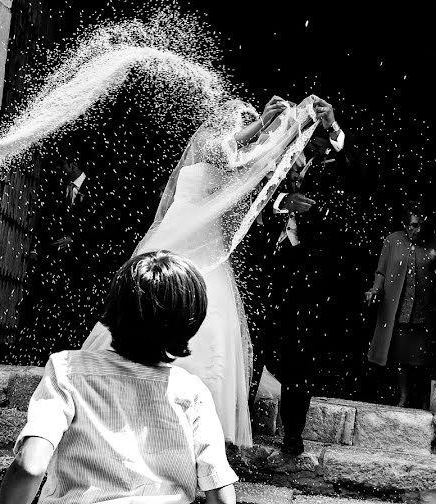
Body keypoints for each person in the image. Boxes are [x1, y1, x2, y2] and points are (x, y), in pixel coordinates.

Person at [84, 95, 320, 447]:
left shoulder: (236, 162)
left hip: (208, 248)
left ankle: (198, 423)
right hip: (179, 241)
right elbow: (223, 148)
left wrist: (292, 125)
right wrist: (263, 124)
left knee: (215, 317)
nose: (245, 129)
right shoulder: (209, 142)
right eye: (240, 122)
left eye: (247, 123)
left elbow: (257, 161)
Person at [0, 251, 238, 504]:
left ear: (115, 306)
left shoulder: (68, 368)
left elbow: (30, 467)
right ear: (190, 322)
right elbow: (221, 496)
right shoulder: (192, 391)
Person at [262, 96, 366, 455]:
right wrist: (281, 206)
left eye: (313, 133)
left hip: (310, 275)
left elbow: (357, 173)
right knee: (256, 346)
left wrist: (333, 126)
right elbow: (256, 198)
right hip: (270, 271)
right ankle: (239, 424)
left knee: (300, 355)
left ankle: (293, 434)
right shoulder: (275, 159)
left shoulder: (331, 163)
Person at [14, 155, 105, 365]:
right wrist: (37, 248)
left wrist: (75, 239)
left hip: (82, 262)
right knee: (49, 302)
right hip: (53, 258)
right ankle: (45, 351)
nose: (61, 170)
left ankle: (71, 352)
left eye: (64, 165)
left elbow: (100, 224)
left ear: (73, 163)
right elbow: (45, 218)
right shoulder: (58, 188)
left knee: (74, 307)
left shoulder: (97, 188)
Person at [365, 201, 434, 408]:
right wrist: (374, 290)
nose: (417, 229)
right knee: (401, 358)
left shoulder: (431, 244)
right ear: (405, 224)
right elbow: (381, 272)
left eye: (420, 225)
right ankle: (403, 397)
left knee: (423, 358)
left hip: (424, 311)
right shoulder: (392, 241)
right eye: (413, 225)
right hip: (400, 309)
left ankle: (422, 399)